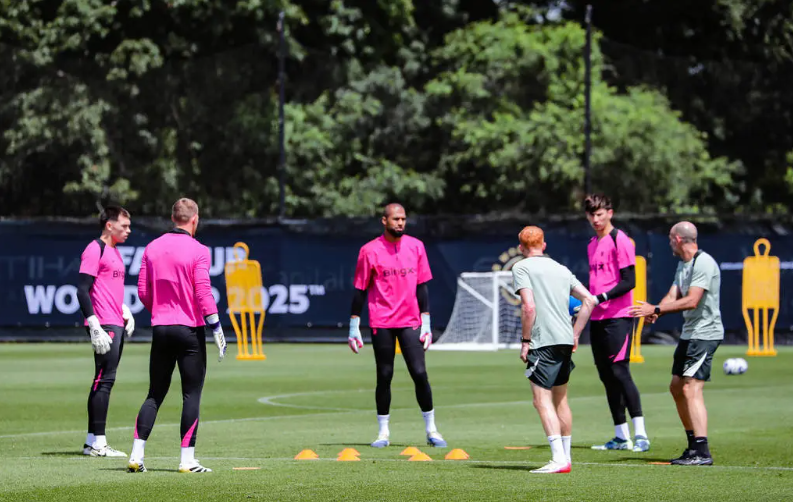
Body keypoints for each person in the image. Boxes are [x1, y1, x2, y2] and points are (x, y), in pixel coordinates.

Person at [127, 198, 227, 474]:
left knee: (154, 393)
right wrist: (216, 327)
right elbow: (203, 292)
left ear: (173, 218)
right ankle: (187, 460)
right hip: (189, 330)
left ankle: (136, 455)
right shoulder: (199, 250)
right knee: (191, 394)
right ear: (195, 219)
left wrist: (160, 311)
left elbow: (143, 292)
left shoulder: (152, 247)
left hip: (161, 328)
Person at [348, 203, 447, 448]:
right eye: (395, 219)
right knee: (384, 375)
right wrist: (354, 324)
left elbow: (422, 286)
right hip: (381, 320)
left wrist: (426, 321)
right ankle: (383, 433)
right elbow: (360, 289)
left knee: (419, 373)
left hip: (411, 320)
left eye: (403, 218)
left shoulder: (416, 246)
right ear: (384, 221)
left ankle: (432, 430)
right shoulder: (369, 250)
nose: (400, 223)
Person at [630, 221, 723, 466]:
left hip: (705, 334)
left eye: (671, 238)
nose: (669, 242)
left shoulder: (703, 262)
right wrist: (656, 311)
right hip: (690, 334)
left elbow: (692, 300)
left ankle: (702, 451)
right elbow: (674, 294)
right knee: (676, 387)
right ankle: (693, 447)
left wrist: (656, 309)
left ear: (678, 239)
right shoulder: (684, 264)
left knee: (691, 388)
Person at [512, 226, 597, 474]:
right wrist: (576, 333)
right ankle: (565, 457)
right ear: (544, 245)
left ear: (521, 247)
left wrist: (525, 340)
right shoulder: (561, 269)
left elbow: (528, 307)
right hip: (564, 341)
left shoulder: (521, 267)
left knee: (541, 400)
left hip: (543, 341)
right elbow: (589, 300)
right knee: (560, 399)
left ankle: (559, 459)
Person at [583, 194, 649, 452]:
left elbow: (629, 281)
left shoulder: (620, 239)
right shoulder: (592, 243)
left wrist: (601, 297)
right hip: (597, 318)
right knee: (606, 376)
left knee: (620, 372)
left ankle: (641, 434)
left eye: (600, 214)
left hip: (618, 317)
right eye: (592, 215)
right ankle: (621, 436)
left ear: (610, 213)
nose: (596, 219)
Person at [77, 205, 135, 457]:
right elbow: (82, 289)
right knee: (104, 380)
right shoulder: (95, 248)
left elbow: (108, 288)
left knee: (105, 380)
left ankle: (92, 441)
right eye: (124, 226)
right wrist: (93, 324)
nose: (128, 230)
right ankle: (98, 443)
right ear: (109, 225)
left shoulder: (115, 252)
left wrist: (124, 309)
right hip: (104, 324)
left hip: (115, 321)